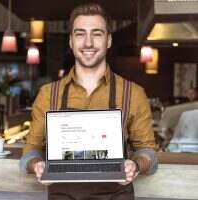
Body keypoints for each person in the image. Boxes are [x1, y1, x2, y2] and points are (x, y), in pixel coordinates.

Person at [20, 3, 158, 200]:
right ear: (71, 41)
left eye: (97, 34)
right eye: (80, 34)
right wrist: (37, 165)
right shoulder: (48, 94)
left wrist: (135, 165)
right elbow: (29, 151)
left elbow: (149, 153)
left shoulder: (133, 93)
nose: (88, 43)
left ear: (108, 40)